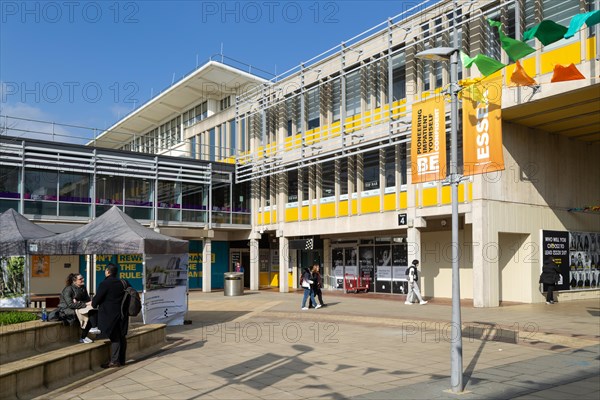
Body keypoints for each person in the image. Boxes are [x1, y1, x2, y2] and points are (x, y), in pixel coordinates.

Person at [92, 264, 130, 368]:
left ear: (108, 272)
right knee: (122, 336)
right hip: (123, 314)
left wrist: (94, 303)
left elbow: (95, 301)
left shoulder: (105, 283)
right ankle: (121, 360)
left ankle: (114, 361)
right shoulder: (124, 282)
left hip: (110, 315)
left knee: (115, 337)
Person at [57, 273, 98, 343]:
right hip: (66, 309)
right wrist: (83, 304)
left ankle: (88, 332)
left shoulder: (83, 288)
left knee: (94, 310)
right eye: (80, 279)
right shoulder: (68, 289)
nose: (83, 280)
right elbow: (70, 305)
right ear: (74, 281)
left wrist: (79, 302)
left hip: (78, 307)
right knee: (89, 313)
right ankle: (85, 335)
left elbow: (87, 300)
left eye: (82, 278)